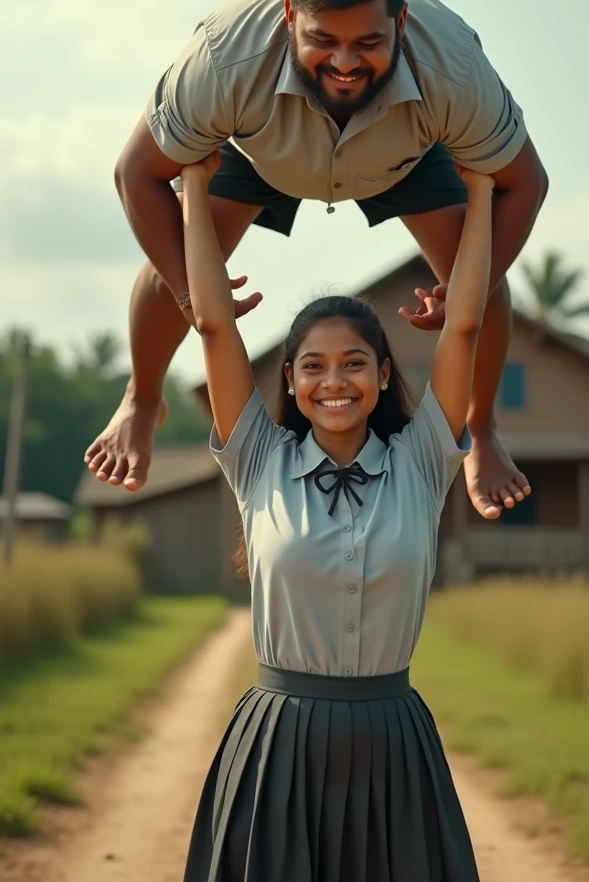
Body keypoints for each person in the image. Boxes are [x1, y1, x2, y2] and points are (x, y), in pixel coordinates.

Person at [84, 0, 548, 521]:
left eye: (369, 43)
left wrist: (473, 285)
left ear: (400, 23)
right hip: (264, 147)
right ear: (289, 20)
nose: (346, 62)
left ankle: (481, 431)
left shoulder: (453, 68)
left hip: (401, 153)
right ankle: (142, 400)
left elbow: (525, 183)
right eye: (323, 40)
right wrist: (189, 293)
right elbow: (136, 173)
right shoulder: (225, 58)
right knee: (174, 268)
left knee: (483, 276)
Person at [179, 147, 494, 881]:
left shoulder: (421, 464)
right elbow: (216, 330)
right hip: (279, 742)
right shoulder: (258, 458)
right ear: (289, 379)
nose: (334, 382)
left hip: (394, 740)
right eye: (313, 366)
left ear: (385, 375)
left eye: (354, 362)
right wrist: (196, 184)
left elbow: (467, 327)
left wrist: (479, 189)